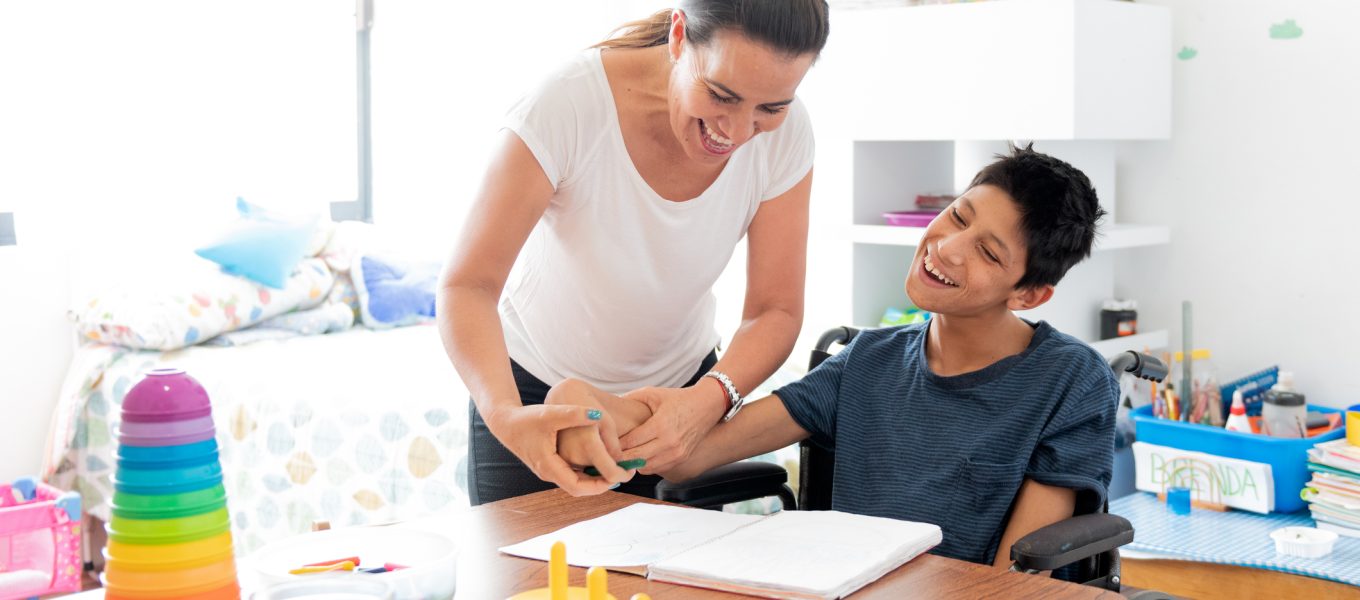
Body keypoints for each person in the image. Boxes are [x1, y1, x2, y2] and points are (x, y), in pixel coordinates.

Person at [552, 144, 1119, 568]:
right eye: (958, 216)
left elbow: (1016, 580)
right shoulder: (867, 360)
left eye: (988, 253)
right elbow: (691, 452)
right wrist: (590, 407)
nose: (945, 247)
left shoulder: (1071, 381)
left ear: (1029, 293)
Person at [437, 1, 831, 505]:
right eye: (720, 95)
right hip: (532, 394)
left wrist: (711, 399)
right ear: (678, 35)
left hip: (684, 398)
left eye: (770, 108)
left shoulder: (789, 137)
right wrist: (507, 418)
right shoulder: (566, 106)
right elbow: (467, 286)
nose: (736, 132)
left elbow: (774, 310)